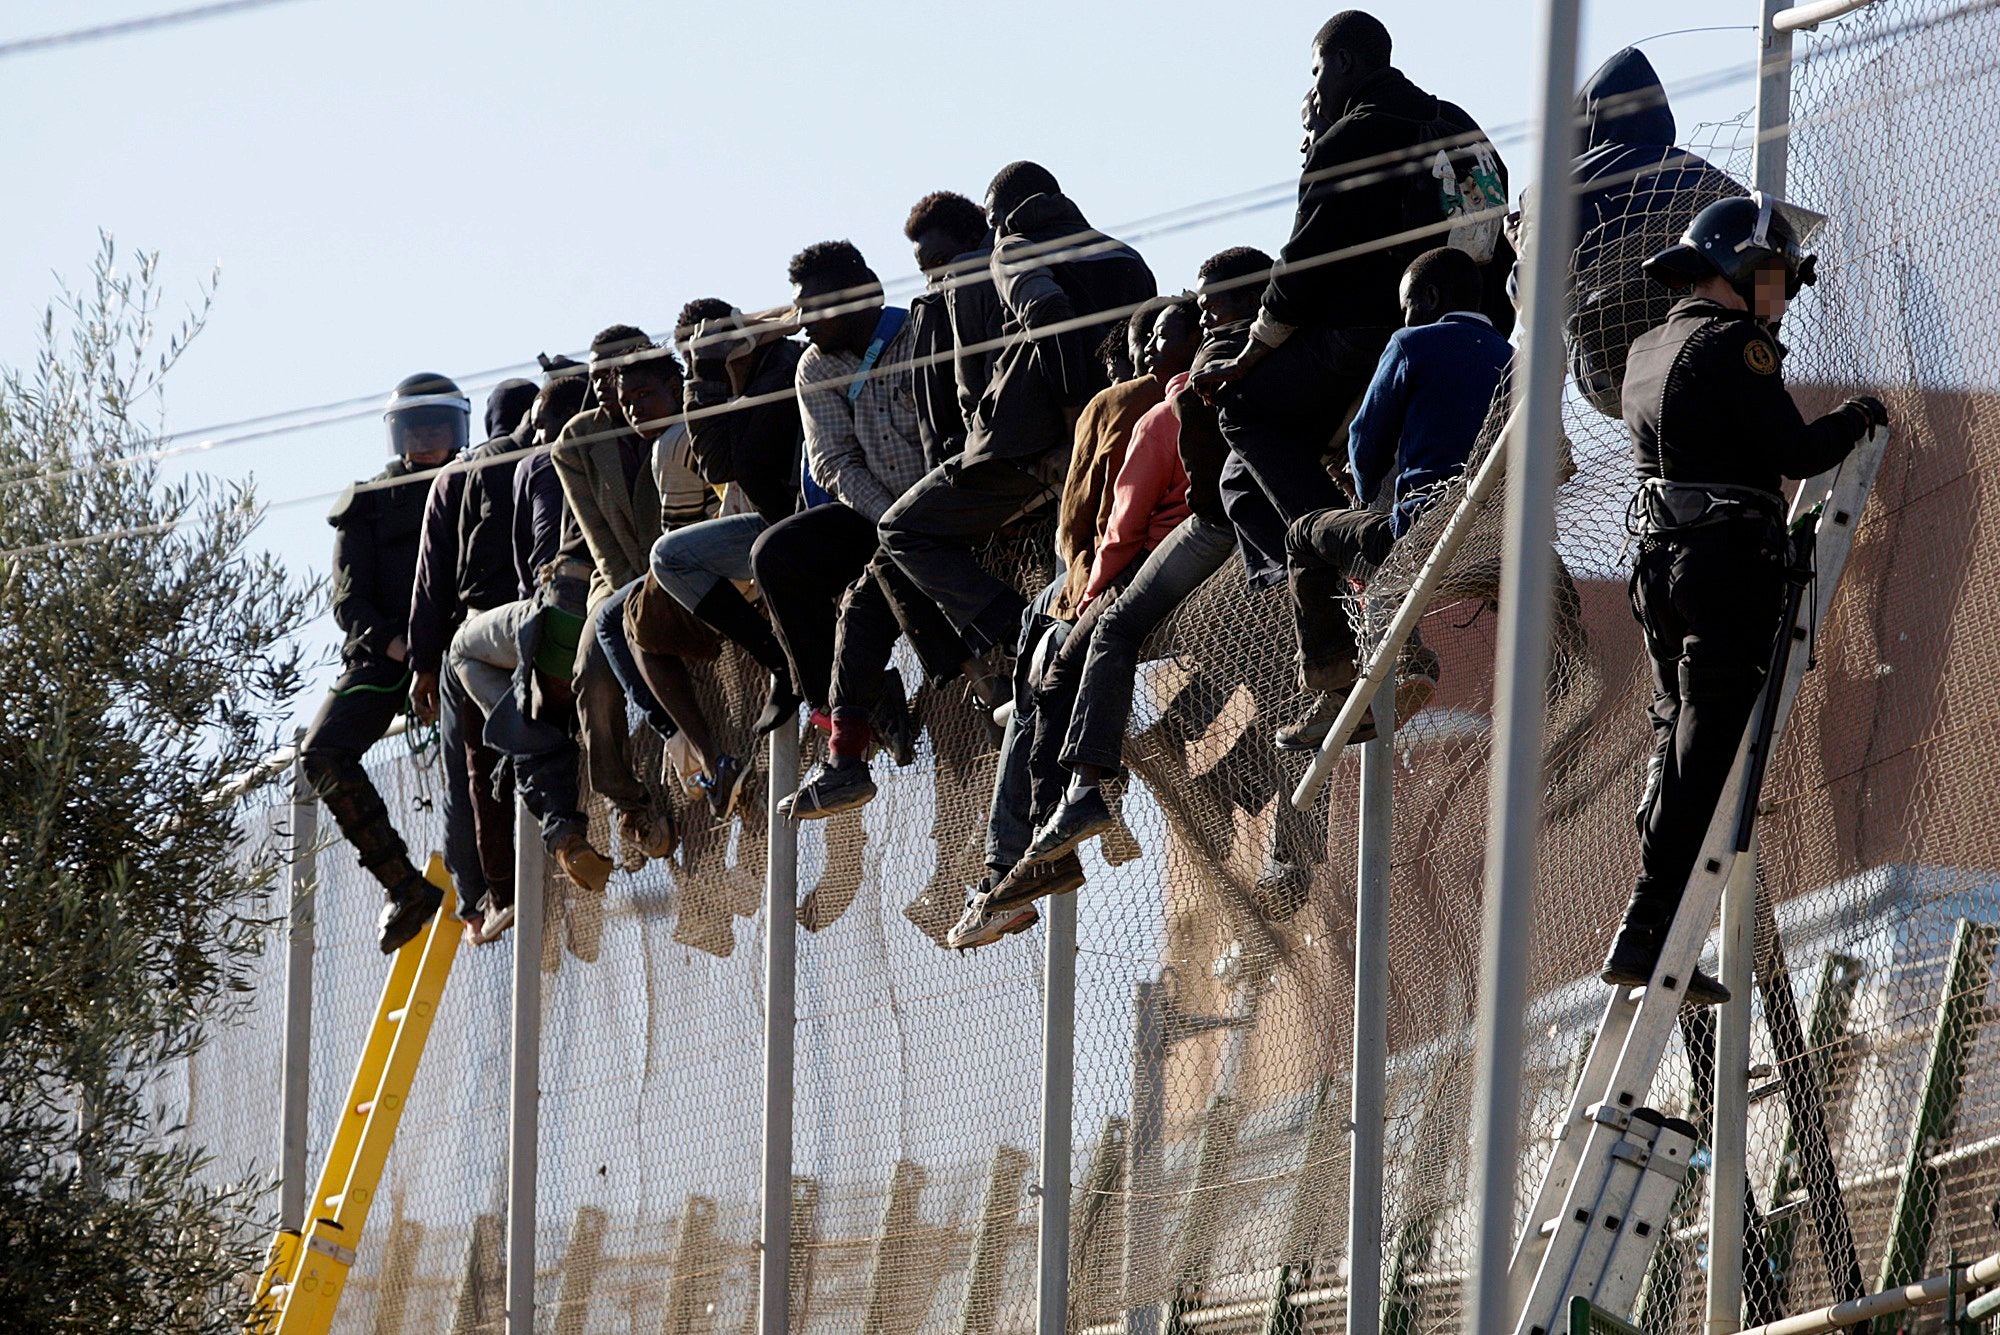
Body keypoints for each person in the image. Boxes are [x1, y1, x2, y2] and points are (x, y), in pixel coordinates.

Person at [1609, 192, 1886, 1006]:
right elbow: (1796, 450)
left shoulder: (1650, 348)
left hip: (1657, 567)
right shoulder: (1735, 346)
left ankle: (1646, 919)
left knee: (1675, 737)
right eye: (1780, 280)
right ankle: (1648, 922)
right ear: (1745, 269)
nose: (1786, 299)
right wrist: (1860, 414)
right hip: (1725, 565)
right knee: (1707, 748)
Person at [948, 248, 1265, 941]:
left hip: (1152, 563)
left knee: (1056, 660)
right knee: (1044, 649)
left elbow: (1101, 518)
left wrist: (1087, 594)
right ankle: (1054, 814)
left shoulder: (1151, 405)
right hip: (1228, 547)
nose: (1147, 354)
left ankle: (1034, 840)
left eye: (1159, 335)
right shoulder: (1268, 367)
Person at [1190, 12, 1513, 590]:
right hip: (1471, 340)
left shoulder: (1352, 138)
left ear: (1343, 63)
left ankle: (1354, 559)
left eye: (1317, 71)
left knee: (1242, 409)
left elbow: (1301, 268)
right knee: (1260, 471)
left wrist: (1251, 353)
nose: (1316, 88)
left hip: (1363, 339)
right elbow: (1489, 246)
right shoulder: (1468, 133)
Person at [880, 161, 1157, 669]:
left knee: (900, 530)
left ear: (1003, 216)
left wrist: (1076, 410)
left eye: (994, 221)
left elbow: (1046, 312)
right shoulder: (1124, 252)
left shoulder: (1011, 248)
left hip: (1031, 443)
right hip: (1122, 427)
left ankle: (1021, 630)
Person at [747, 238, 978, 819]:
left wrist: (914, 518)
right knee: (776, 553)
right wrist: (889, 519)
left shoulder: (923, 332)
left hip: (950, 504)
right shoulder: (814, 367)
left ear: (866, 294)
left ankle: (957, 686)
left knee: (886, 587)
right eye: (799, 309)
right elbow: (833, 462)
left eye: (817, 308)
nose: (805, 322)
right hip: (876, 513)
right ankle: (852, 706)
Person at [1273, 246, 1511, 750]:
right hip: (1497, 535)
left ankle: (1340, 686)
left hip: (1422, 533)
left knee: (1302, 536)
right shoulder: (1512, 357)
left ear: (1428, 298)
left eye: (1407, 305)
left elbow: (1366, 437)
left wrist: (1366, 502)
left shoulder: (1412, 343)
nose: (1403, 316)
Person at [300, 372, 467, 953]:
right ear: (398, 435)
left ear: (458, 429)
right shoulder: (366, 504)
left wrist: (444, 652)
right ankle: (403, 886)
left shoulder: (476, 484)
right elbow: (349, 602)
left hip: (464, 650)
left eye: (438, 428)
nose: (426, 440)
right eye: (416, 429)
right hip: (388, 658)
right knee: (321, 752)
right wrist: (405, 650)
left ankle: (492, 876)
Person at [448, 366, 619, 904]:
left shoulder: (542, 462)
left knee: (463, 653)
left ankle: (563, 827)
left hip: (559, 608)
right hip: (616, 601)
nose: (537, 439)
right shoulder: (626, 443)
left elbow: (543, 554)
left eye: (542, 426)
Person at [584, 334, 749, 819]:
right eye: (627, 402)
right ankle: (698, 751)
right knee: (626, 619)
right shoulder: (681, 433)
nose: (635, 410)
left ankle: (699, 751)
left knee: (625, 621)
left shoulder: (672, 443)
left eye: (645, 396)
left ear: (677, 385)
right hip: (726, 553)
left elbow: (678, 542)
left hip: (722, 562)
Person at [408, 377, 537, 941]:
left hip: (473, 642)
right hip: (538, 624)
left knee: (470, 775)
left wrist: (422, 664)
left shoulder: (453, 478)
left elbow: (431, 581)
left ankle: (479, 899)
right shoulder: (547, 455)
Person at [1558, 46, 1745, 416]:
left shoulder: (1564, 181)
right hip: (1713, 338)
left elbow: (1526, 289)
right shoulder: (1703, 174)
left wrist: (1519, 247)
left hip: (1611, 366)